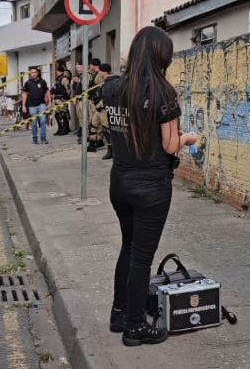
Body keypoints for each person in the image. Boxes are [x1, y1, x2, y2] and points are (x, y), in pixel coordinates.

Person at [106, 26, 197, 346]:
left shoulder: (112, 88)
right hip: (151, 188)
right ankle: (134, 327)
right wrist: (188, 137)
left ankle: (119, 315)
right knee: (141, 257)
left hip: (119, 182)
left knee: (128, 248)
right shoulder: (163, 94)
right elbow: (171, 146)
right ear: (162, 57)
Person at [87, 63, 113, 156]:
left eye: (100, 71)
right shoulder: (103, 81)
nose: (99, 73)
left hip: (103, 108)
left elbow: (107, 96)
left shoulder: (110, 82)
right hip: (99, 108)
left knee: (106, 128)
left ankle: (111, 150)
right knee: (93, 124)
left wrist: (100, 104)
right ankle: (92, 144)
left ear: (104, 72)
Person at [22, 67, 51, 145]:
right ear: (30, 74)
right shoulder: (28, 83)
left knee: (42, 121)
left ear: (37, 73)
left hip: (42, 104)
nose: (33, 74)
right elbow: (24, 94)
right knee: (34, 123)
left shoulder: (42, 82)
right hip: (32, 106)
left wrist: (50, 102)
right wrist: (23, 106)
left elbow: (47, 91)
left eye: (34, 72)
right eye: (31, 72)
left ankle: (43, 139)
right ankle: (35, 139)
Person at [50, 65, 72, 136]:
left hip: (62, 99)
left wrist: (67, 97)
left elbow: (68, 89)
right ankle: (60, 128)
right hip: (56, 99)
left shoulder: (64, 79)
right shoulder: (57, 79)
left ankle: (65, 129)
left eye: (58, 71)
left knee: (63, 114)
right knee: (57, 115)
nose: (57, 72)